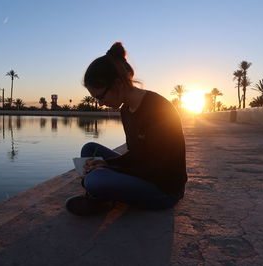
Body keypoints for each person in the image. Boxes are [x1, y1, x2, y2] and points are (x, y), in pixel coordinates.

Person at [65, 42, 187, 216]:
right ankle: (103, 196)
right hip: (145, 172)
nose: (100, 103)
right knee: (90, 150)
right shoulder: (126, 109)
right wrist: (108, 163)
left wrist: (109, 168)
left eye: (100, 96)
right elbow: (138, 155)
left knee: (95, 179)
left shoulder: (158, 109)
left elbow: (159, 169)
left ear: (117, 84)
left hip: (164, 189)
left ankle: (100, 196)